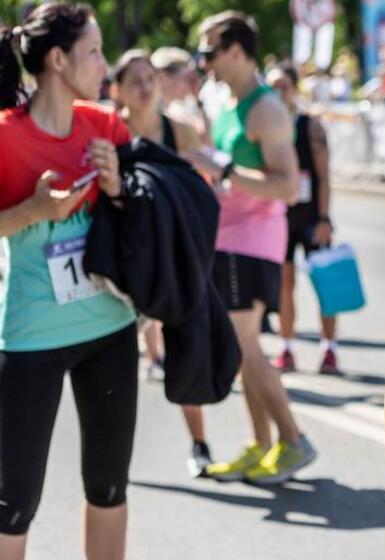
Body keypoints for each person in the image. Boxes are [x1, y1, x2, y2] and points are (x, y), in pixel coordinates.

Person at [0, 4, 138, 558]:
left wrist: (119, 187)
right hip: (31, 337)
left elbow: (142, 217)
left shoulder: (106, 127)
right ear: (58, 60)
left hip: (110, 328)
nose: (105, 65)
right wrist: (33, 212)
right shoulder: (6, 137)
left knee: (109, 489)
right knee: (12, 505)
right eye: (94, 52)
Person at [183, 10, 317, 485]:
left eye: (209, 52)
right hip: (227, 238)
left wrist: (221, 170)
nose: (203, 63)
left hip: (253, 241)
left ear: (237, 52)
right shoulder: (227, 103)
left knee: (243, 345)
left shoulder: (266, 109)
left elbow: (286, 187)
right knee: (241, 348)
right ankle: (260, 445)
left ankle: (294, 440)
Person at [111, 48, 214, 479]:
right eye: (134, 80)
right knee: (112, 363)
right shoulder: (109, 129)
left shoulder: (178, 130)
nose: (144, 86)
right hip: (123, 262)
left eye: (149, 78)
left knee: (185, 348)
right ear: (117, 89)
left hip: (171, 255)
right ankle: (112, 456)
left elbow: (202, 179)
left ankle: (199, 443)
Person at [265, 62, 340, 375]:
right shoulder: (266, 126)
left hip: (310, 215)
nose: (278, 93)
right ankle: (286, 348)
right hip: (280, 215)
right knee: (285, 282)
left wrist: (324, 218)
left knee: (324, 281)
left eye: (283, 86)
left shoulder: (309, 125)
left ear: (294, 88)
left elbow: (323, 176)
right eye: (272, 87)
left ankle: (329, 349)